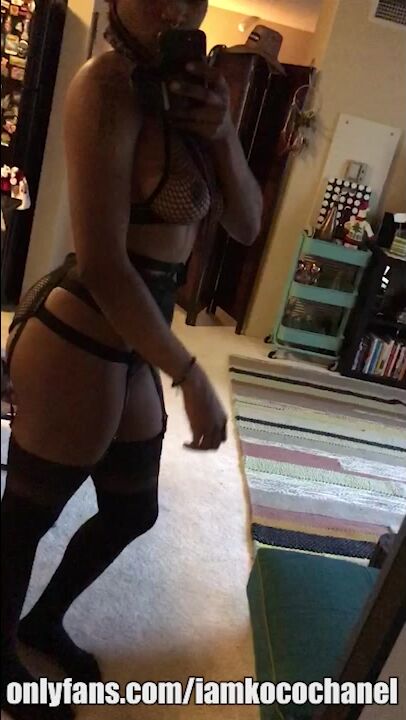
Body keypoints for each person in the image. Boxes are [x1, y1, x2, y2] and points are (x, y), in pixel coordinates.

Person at [1, 1, 262, 718]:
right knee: (25, 520)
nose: (172, 7)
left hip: (134, 335)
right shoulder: (105, 86)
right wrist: (189, 373)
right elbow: (105, 264)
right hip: (83, 327)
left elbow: (246, 225)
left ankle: (42, 623)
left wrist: (224, 137)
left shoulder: (198, 95)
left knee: (132, 510)